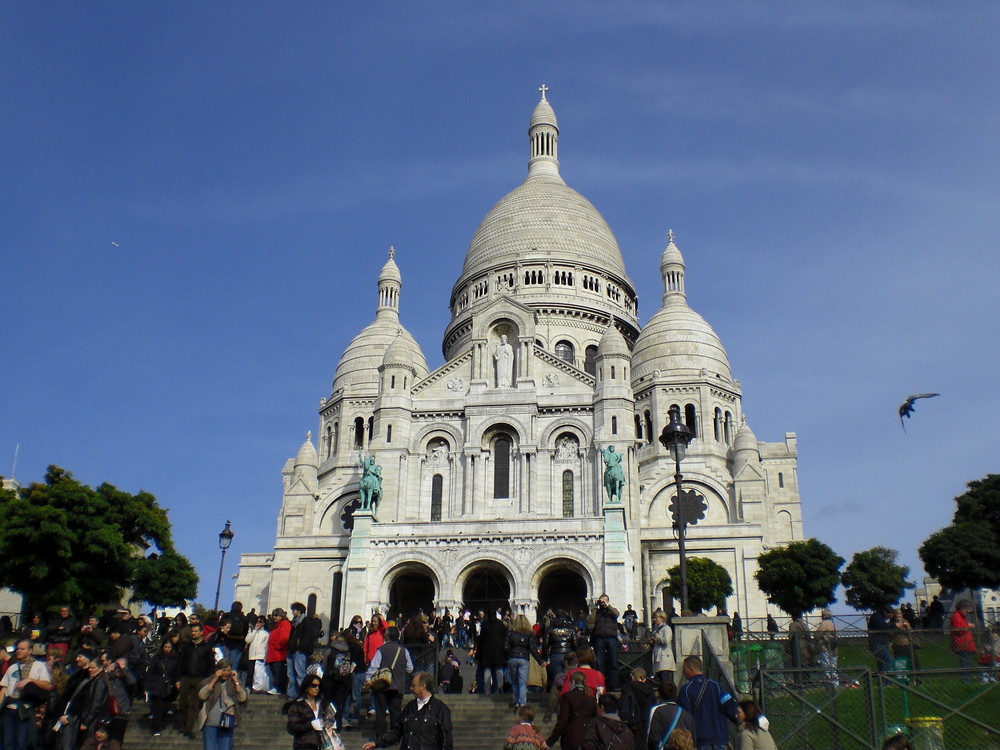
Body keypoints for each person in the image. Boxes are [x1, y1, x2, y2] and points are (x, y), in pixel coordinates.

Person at [361, 671, 453, 750]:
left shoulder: (440, 709)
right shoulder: (409, 707)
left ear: (423, 687)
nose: (410, 688)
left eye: (413, 686)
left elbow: (446, 738)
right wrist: (377, 743)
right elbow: (396, 731)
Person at [676, 656, 738, 750]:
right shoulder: (717, 686)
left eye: (684, 669)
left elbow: (685, 718)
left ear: (690, 670)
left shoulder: (686, 690)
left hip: (700, 740)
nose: (683, 672)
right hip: (720, 738)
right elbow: (730, 707)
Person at [0, 639, 52, 750]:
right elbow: (4, 688)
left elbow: (47, 685)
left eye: (22, 649)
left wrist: (30, 680)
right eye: (18, 649)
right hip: (9, 708)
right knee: (7, 743)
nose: (18, 651)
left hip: (25, 708)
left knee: (22, 743)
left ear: (30, 651)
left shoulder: (39, 666)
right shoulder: (12, 667)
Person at [365, 626, 413, 740]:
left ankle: (380, 736)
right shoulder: (404, 651)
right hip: (398, 686)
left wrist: (368, 680)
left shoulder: (381, 650)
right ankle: (394, 737)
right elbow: (410, 668)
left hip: (382, 686)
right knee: (396, 712)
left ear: (386, 636)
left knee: (380, 711)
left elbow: (373, 667)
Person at [196, 657, 247, 750]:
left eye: (228, 671)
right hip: (210, 722)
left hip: (227, 722)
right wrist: (214, 679)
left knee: (225, 748)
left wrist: (236, 681)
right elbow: (202, 695)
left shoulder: (232, 683)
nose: (226, 673)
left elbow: (242, 698)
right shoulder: (208, 681)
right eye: (224, 671)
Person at [178, 622, 217, 739]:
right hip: (186, 676)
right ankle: (185, 724)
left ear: (201, 633)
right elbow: (180, 662)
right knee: (183, 702)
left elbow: (211, 665)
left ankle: (189, 728)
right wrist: (177, 678)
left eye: (195, 631)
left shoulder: (206, 647)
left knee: (194, 704)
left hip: (200, 678)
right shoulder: (186, 646)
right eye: (192, 631)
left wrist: (209, 680)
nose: (193, 633)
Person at [547, 671, 597, 750]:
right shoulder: (592, 699)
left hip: (572, 738)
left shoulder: (568, 697)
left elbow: (562, 721)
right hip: (588, 739)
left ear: (572, 682)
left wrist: (550, 741)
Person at [286, 673, 334, 749]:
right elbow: (292, 727)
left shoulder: (323, 705)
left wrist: (331, 724)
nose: (317, 688)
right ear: (306, 686)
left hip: (324, 744)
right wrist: (311, 725)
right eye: (313, 685)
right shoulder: (297, 705)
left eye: (319, 686)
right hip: (304, 745)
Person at [646, 679, 696, 750]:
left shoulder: (657, 711)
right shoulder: (688, 716)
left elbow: (653, 738)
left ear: (659, 693)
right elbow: (693, 741)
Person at [145, 640, 180, 737]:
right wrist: (147, 687)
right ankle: (156, 728)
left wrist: (177, 681)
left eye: (169, 647)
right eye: (165, 647)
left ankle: (159, 724)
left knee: (165, 707)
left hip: (169, 686)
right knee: (158, 708)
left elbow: (177, 672)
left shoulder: (175, 659)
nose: (167, 649)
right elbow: (150, 672)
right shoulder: (157, 658)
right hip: (157, 684)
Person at [587, 594, 621, 691]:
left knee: (613, 662)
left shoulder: (612, 610)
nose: (602, 603)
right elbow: (590, 621)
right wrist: (594, 608)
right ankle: (600, 684)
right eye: (601, 601)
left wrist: (608, 606)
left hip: (611, 638)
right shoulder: (597, 612)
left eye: (604, 601)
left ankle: (613, 684)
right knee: (599, 663)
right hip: (599, 638)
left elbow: (617, 614)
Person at [617, 668, 656, 748]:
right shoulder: (650, 690)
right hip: (646, 722)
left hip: (631, 722)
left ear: (632, 677)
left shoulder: (627, 687)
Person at [474, 612, 506, 695]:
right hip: (499, 651)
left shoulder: (485, 624)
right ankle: (500, 686)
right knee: (499, 670)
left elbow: (481, 640)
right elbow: (505, 637)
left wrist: (477, 655)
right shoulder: (500, 624)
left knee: (487, 671)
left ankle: (487, 690)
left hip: (486, 652)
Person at [507, 614, 534, 708]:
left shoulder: (510, 633)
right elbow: (532, 648)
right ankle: (522, 702)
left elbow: (505, 647)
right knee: (522, 682)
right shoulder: (529, 634)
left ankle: (516, 701)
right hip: (524, 658)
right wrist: (540, 660)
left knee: (515, 681)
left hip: (512, 657)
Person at [267, 608, 292, 696]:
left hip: (279, 654)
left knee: (278, 672)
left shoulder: (284, 623)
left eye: (276, 615)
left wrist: (276, 646)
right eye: (273, 615)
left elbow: (284, 638)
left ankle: (279, 688)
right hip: (272, 654)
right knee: (274, 672)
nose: (274, 617)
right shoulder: (275, 625)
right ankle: (276, 687)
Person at [950, 599, 977, 678]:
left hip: (966, 644)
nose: (968, 611)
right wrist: (969, 626)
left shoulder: (961, 617)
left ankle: (967, 680)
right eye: (967, 609)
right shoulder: (956, 616)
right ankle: (966, 681)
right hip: (962, 644)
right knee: (965, 665)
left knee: (967, 664)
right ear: (962, 608)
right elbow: (959, 629)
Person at [245, 615, 271, 693]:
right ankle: (248, 687)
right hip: (252, 655)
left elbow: (267, 645)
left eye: (260, 622)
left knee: (258, 673)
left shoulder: (266, 633)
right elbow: (247, 640)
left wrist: (266, 655)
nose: (258, 623)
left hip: (260, 655)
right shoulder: (252, 631)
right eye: (257, 621)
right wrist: (254, 631)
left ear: (263, 623)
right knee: (250, 672)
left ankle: (257, 687)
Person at [649, 610, 676, 684]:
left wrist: (656, 637)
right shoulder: (656, 630)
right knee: (661, 681)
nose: (654, 619)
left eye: (656, 617)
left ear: (662, 618)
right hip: (657, 657)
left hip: (664, 658)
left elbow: (666, 641)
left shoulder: (667, 628)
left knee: (665, 680)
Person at [814, 609, 838, 687]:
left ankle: (828, 683)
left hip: (825, 647)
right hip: (833, 648)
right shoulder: (832, 623)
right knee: (833, 665)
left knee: (825, 665)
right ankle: (835, 683)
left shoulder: (824, 623)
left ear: (824, 616)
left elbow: (817, 634)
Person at [867, 606, 895, 674]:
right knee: (887, 661)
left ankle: (882, 681)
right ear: (885, 612)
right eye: (889, 615)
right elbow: (882, 628)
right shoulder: (876, 617)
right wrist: (894, 625)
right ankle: (886, 681)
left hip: (882, 643)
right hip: (877, 644)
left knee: (881, 663)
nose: (889, 618)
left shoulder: (881, 618)